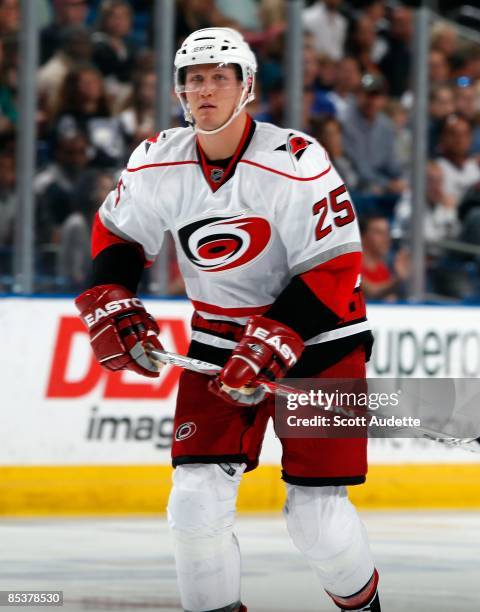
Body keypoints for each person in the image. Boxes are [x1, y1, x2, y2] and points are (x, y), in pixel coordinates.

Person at [74, 27, 380, 612]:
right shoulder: (155, 160)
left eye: (220, 77)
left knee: (315, 516)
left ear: (247, 88)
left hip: (320, 343)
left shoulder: (295, 159)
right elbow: (118, 232)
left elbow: (337, 266)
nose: (206, 89)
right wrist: (111, 292)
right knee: (192, 501)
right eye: (194, 79)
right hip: (219, 339)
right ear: (179, 92)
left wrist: (281, 332)